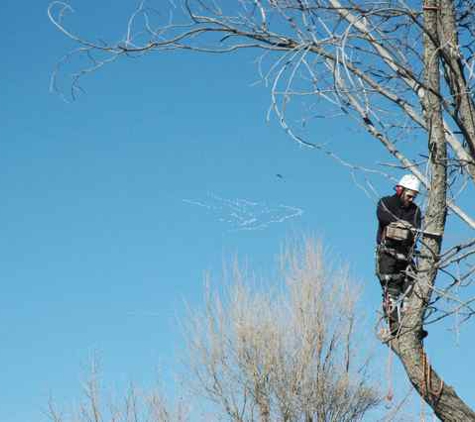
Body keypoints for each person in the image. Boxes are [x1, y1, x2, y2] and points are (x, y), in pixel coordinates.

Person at [376, 174, 423, 337]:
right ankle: (395, 328)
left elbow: (417, 227)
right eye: (409, 195)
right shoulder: (385, 203)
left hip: (407, 255)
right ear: (400, 190)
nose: (411, 199)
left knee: (413, 288)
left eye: (414, 197)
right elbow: (383, 216)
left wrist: (408, 228)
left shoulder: (415, 210)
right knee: (392, 289)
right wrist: (399, 223)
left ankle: (412, 327)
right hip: (387, 254)